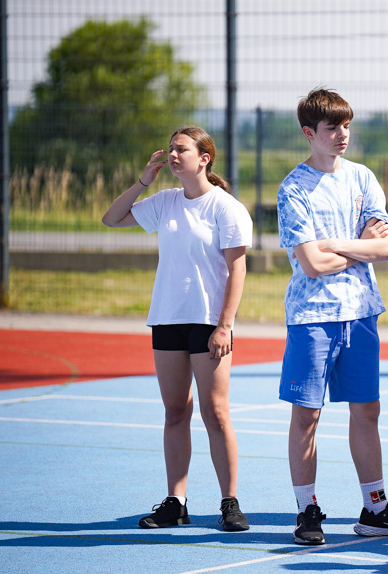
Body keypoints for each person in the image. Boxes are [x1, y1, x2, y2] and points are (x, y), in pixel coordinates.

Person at [277, 87, 388, 545]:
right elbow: (311, 265)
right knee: (307, 416)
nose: (343, 134)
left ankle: (376, 508)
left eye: (346, 125)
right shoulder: (293, 188)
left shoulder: (363, 178)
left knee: (368, 410)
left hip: (361, 313)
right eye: (332, 128)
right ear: (309, 133)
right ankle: (307, 510)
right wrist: (356, 247)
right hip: (312, 317)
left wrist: (333, 244)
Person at [102, 125, 253, 532]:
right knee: (174, 412)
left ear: (203, 158)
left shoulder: (226, 207)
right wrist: (143, 180)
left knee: (215, 413)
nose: (171, 155)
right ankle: (177, 502)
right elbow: (111, 218)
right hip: (167, 319)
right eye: (169, 149)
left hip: (208, 323)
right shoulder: (165, 201)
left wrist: (225, 326)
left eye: (180, 149)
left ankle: (230, 502)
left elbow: (238, 268)